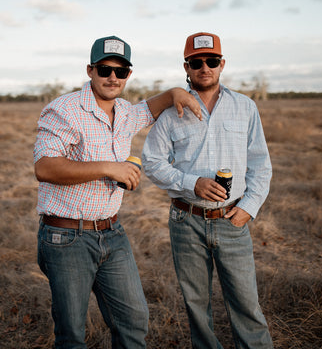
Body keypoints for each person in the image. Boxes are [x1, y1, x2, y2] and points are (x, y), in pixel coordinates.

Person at [34, 35, 202, 348]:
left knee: (133, 320)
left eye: (121, 71)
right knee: (72, 334)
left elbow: (152, 107)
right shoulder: (63, 110)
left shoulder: (124, 112)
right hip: (67, 237)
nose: (113, 77)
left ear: (128, 75)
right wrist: (110, 168)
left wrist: (177, 92)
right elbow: (45, 168)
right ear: (90, 70)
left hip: (112, 233)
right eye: (105, 69)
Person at [142, 32, 274, 349]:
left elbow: (260, 163)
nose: (205, 67)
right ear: (186, 67)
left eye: (211, 61)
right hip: (186, 221)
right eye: (197, 62)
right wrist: (193, 183)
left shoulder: (245, 107)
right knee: (196, 305)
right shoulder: (170, 113)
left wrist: (249, 207)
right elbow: (151, 162)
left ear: (221, 64)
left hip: (232, 220)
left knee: (246, 303)